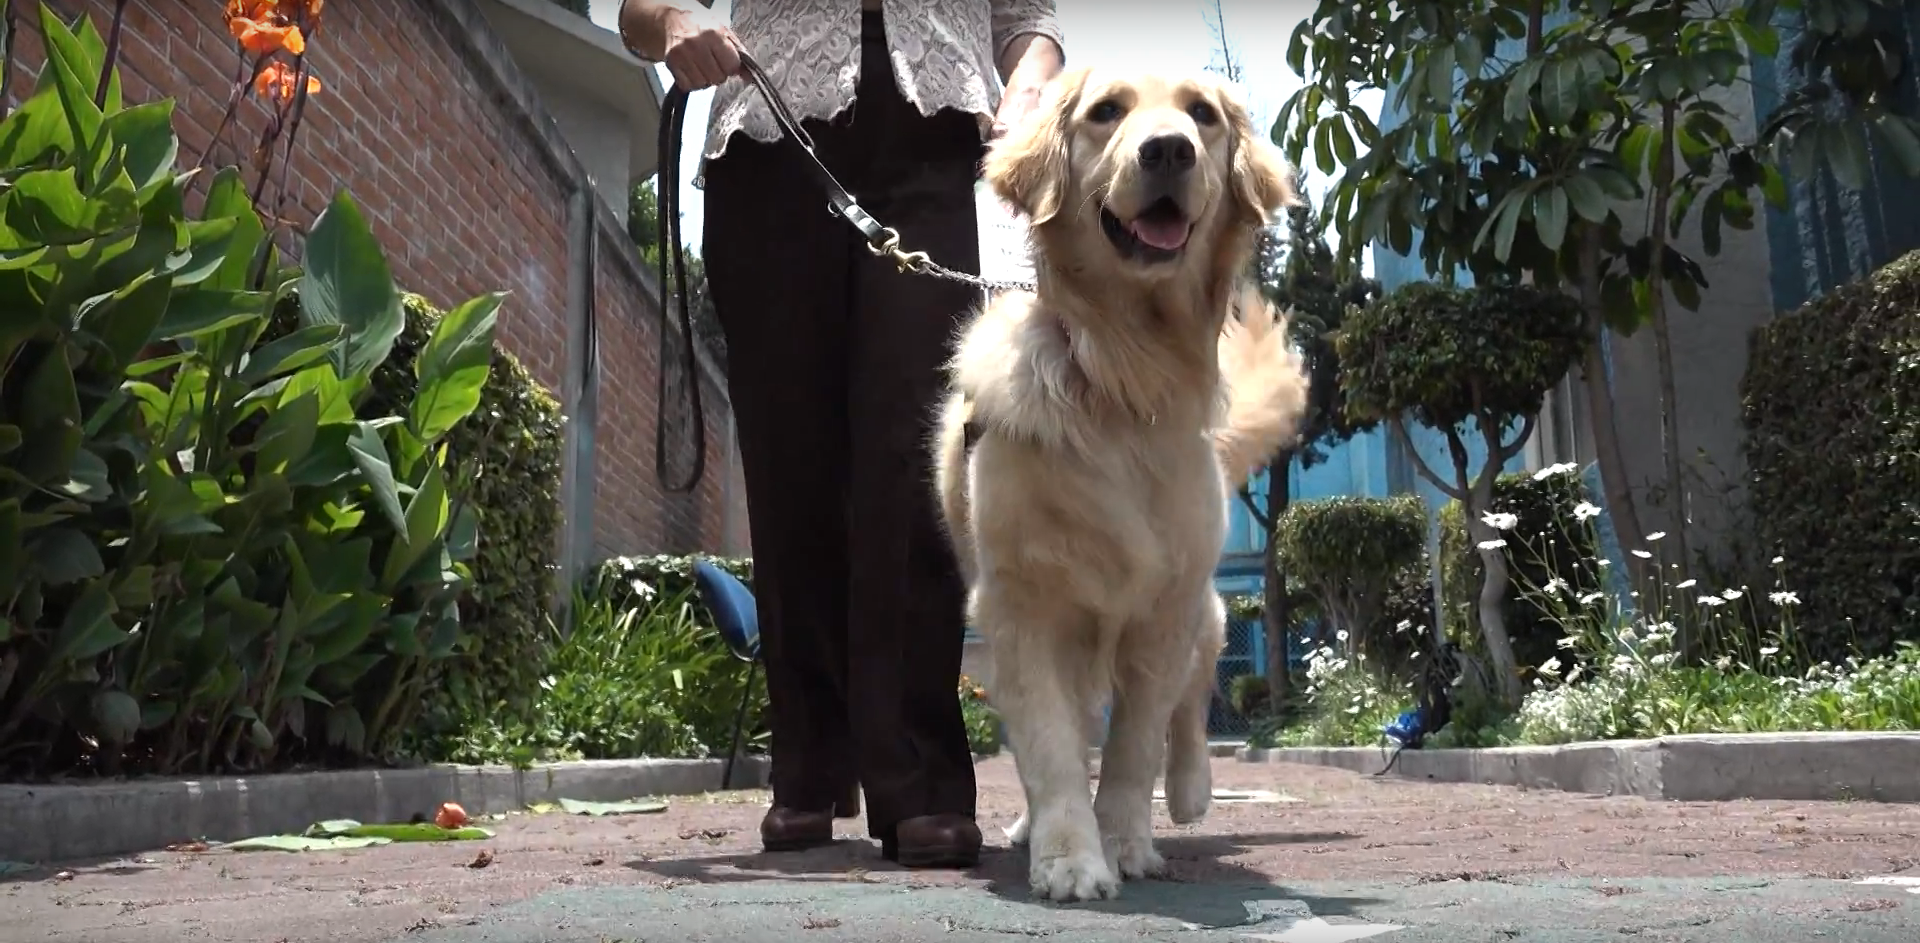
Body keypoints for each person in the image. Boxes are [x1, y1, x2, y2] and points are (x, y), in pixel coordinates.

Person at [616, 0, 1065, 869]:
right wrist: (674, 26)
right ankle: (810, 764)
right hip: (768, 129)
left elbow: (1029, 22)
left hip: (941, 144)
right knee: (792, 463)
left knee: (916, 459)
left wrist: (1034, 86)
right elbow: (639, 11)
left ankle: (921, 779)